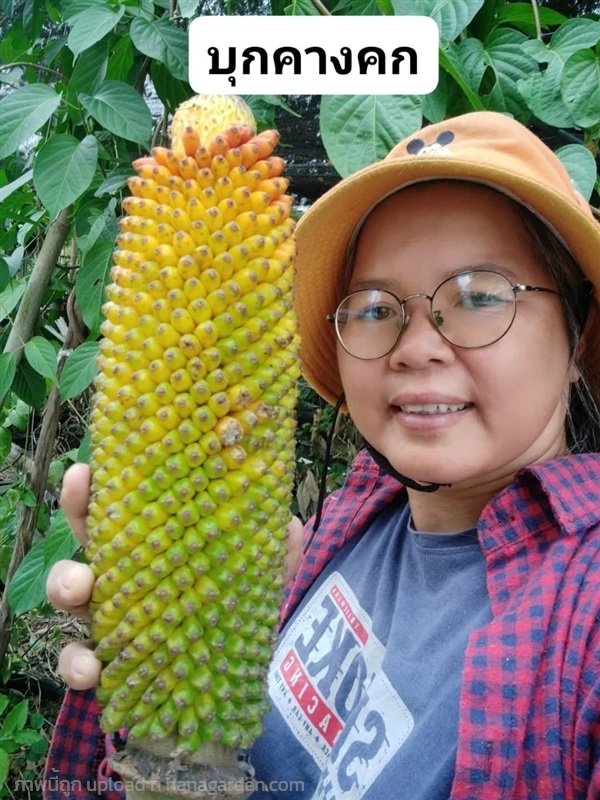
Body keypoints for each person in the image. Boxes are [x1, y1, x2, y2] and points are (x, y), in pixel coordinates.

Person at [45, 111, 600, 799]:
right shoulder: (349, 522)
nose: (416, 345)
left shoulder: (587, 615)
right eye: (373, 306)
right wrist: (154, 649)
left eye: (478, 296)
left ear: (580, 336)